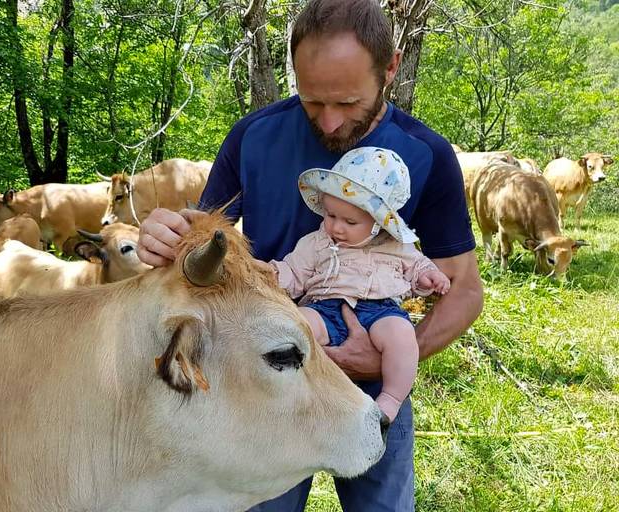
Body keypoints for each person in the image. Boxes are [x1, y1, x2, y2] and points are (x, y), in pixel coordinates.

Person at [136, 0, 484, 509]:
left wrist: (387, 356)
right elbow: (203, 241)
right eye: (312, 101)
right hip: (261, 388)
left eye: (347, 102)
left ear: (390, 67)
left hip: (373, 388)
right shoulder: (253, 137)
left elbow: (464, 289)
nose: (330, 121)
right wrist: (162, 237)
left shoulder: (425, 153)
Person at [266, 146, 451, 423]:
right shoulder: (317, 243)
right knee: (296, 323)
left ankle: (391, 399)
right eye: (330, 216)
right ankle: (286, 391)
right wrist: (270, 274)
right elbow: (294, 273)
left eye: (350, 221)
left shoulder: (397, 246)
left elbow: (416, 268)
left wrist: (427, 278)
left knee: (402, 336)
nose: (336, 227)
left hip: (381, 312)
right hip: (324, 308)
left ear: (378, 223)